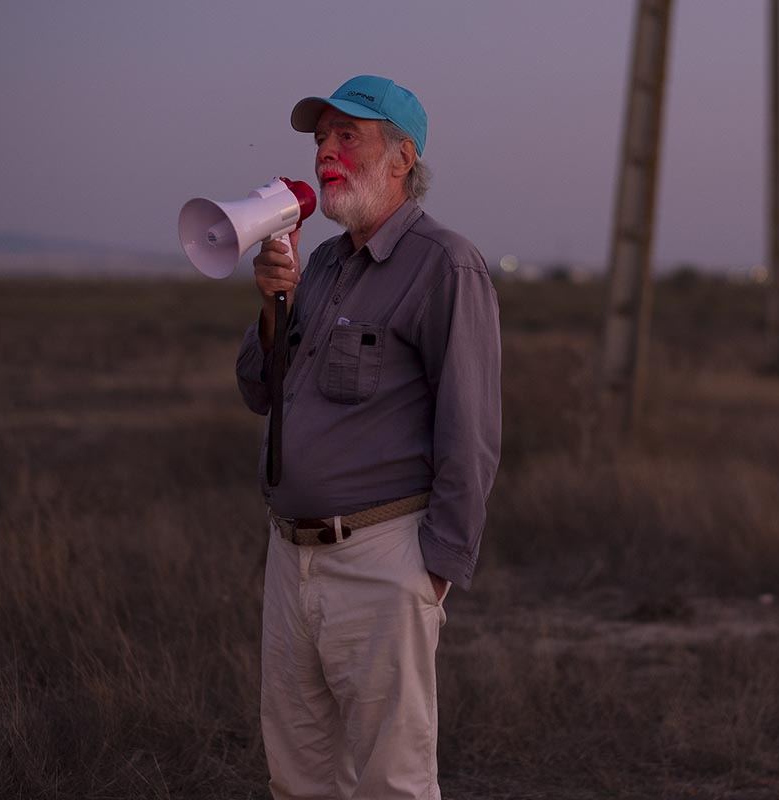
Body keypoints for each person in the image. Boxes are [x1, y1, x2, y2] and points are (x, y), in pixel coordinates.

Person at [234, 75, 502, 800]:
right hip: (291, 560)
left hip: (384, 561)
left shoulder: (444, 265)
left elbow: (471, 430)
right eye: (321, 138)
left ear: (401, 158)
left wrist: (435, 571)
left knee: (391, 782)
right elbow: (259, 389)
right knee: (298, 776)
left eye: (347, 136)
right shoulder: (319, 265)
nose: (326, 153)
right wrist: (272, 305)